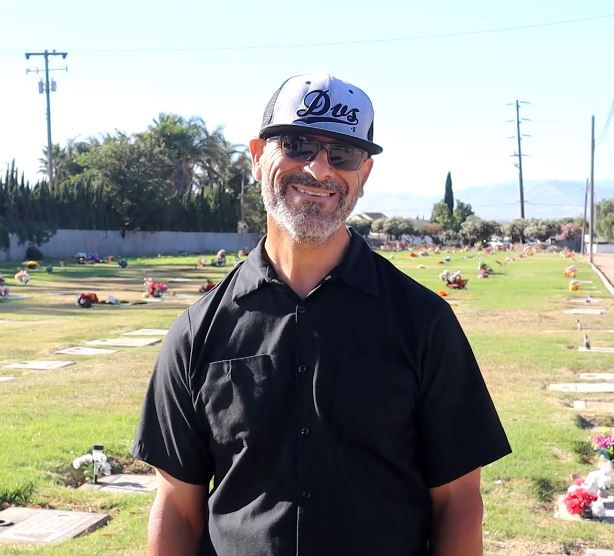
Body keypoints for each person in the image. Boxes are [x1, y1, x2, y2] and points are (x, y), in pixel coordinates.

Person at [131, 73, 511, 556]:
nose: (318, 168)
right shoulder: (198, 331)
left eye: (343, 154)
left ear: (365, 174)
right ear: (256, 156)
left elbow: (458, 501)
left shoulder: (424, 323)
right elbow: (177, 505)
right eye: (297, 143)